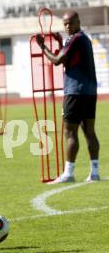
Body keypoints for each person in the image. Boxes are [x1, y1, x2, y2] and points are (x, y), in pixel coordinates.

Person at [36, 10, 100, 183]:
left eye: (70, 23)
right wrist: (58, 41)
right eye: (65, 24)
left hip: (74, 92)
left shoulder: (75, 38)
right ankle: (95, 172)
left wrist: (43, 46)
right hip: (89, 92)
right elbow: (71, 56)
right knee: (89, 132)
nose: (67, 26)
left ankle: (69, 173)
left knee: (70, 132)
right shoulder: (84, 39)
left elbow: (57, 60)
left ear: (78, 22)